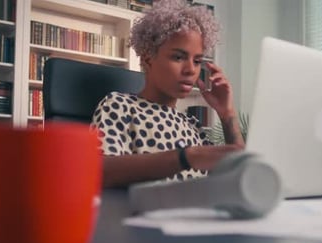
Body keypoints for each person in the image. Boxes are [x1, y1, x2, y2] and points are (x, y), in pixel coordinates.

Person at [92, 0, 244, 188]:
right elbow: (100, 170)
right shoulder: (119, 105)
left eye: (197, 61)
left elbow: (238, 176)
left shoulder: (192, 124)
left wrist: (227, 114)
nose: (191, 70)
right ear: (148, 59)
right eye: (178, 57)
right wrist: (185, 156)